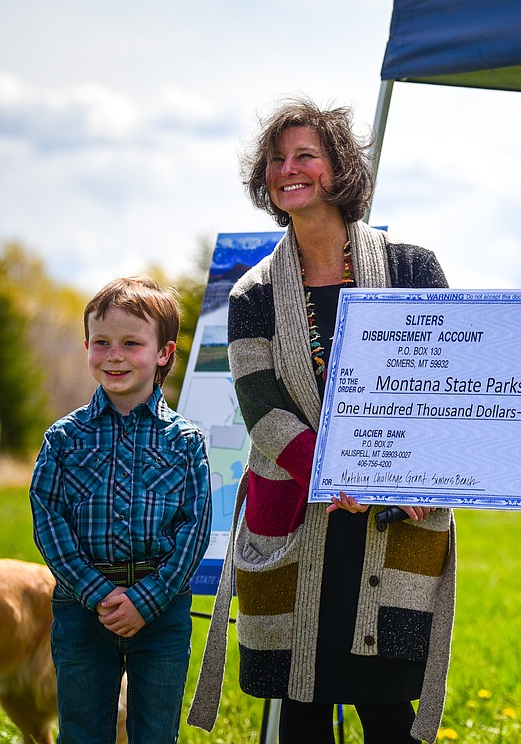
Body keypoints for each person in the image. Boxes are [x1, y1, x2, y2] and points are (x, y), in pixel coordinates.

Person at [187, 97, 455, 744]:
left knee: (389, 709)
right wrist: (340, 475)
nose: (288, 169)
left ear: (339, 170)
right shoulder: (252, 295)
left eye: (305, 155)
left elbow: (444, 388)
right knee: (300, 710)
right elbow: (263, 409)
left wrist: (402, 478)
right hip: (298, 517)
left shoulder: (414, 271)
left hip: (396, 519)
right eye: (277, 160)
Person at [30, 275, 212, 743]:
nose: (114, 355)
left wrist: (146, 599)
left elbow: (194, 529)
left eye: (132, 343)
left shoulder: (186, 442)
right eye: (102, 342)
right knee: (83, 731)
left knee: (155, 733)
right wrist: (96, 593)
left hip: (162, 608)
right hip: (81, 606)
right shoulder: (64, 439)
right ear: (87, 345)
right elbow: (48, 520)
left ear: (164, 353)